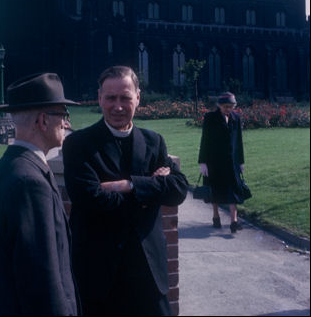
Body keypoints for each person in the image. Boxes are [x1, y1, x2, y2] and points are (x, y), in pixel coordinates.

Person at [63, 66, 189, 316]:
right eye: (111, 98)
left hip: (149, 275)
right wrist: (151, 190)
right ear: (100, 98)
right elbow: (90, 198)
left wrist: (129, 185)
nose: (118, 106)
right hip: (100, 277)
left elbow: (178, 189)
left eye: (125, 98)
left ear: (138, 98)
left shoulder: (154, 142)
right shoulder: (79, 144)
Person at [0, 72, 80, 316]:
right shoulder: (30, 183)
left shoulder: (8, 168)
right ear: (43, 121)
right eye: (63, 114)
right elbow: (42, 282)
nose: (67, 123)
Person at [198, 91, 246, 233]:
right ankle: (216, 216)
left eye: (231, 106)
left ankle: (234, 221)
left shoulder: (236, 118)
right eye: (225, 106)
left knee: (233, 191)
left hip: (232, 162)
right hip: (214, 162)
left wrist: (241, 162)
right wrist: (203, 162)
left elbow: (239, 141)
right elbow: (204, 140)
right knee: (215, 190)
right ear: (219, 105)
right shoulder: (210, 118)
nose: (228, 109)